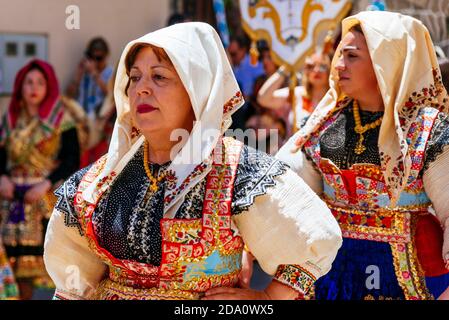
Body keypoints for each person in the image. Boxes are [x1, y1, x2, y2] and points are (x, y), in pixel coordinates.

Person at [43, 22, 342, 300]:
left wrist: (264, 298)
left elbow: (314, 241)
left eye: (159, 76)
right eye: (135, 77)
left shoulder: (238, 170)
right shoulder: (103, 177)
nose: (141, 88)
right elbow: (72, 274)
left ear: (196, 90)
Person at [277, 11, 449, 300]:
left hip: (410, 278)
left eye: (352, 56)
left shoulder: (427, 129)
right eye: (339, 55)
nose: (339, 66)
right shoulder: (324, 125)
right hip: (330, 278)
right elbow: (284, 194)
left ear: (387, 62)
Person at [0, 59, 81, 299]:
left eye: (40, 83)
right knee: (10, 270)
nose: (34, 88)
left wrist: (46, 184)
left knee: (42, 270)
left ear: (49, 87)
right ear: (20, 87)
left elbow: (71, 161)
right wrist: (2, 178)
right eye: (29, 82)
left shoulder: (62, 120)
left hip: (44, 202)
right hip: (10, 202)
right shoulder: (11, 119)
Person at [258, 52, 331, 138]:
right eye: (311, 66)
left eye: (322, 66)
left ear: (330, 70)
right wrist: (286, 67)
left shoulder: (335, 99)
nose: (316, 70)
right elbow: (263, 99)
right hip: (292, 150)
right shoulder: (297, 94)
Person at [66, 37, 113, 118]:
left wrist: (94, 74)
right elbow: (68, 95)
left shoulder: (110, 72)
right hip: (80, 117)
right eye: (92, 57)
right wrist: (78, 75)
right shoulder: (84, 70)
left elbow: (111, 95)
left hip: (99, 119)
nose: (95, 61)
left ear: (106, 56)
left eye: (99, 58)